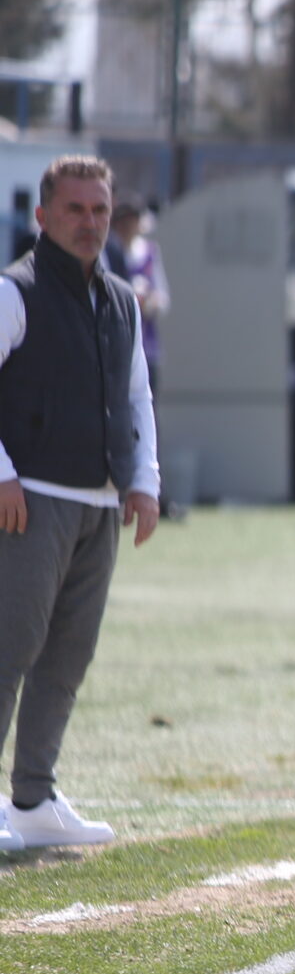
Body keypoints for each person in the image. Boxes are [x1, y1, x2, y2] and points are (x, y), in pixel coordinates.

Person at [0, 156, 159, 854]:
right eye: (75, 209)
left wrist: (144, 479)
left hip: (99, 505)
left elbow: (135, 397)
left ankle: (34, 796)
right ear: (43, 216)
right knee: (9, 648)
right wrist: (1, 473)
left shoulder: (122, 298)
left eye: (100, 209)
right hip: (30, 500)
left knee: (68, 656)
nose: (90, 222)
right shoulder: (15, 291)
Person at [106, 203, 168, 388]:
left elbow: (163, 298)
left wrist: (148, 303)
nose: (128, 228)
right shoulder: (109, 253)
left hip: (145, 344)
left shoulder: (149, 252)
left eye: (132, 222)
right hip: (117, 343)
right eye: (123, 222)